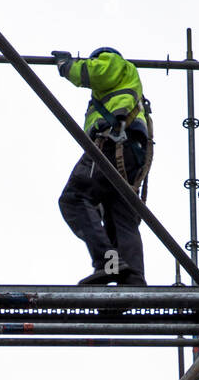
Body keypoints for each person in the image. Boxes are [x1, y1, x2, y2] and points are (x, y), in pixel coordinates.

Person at [52, 46, 152, 286]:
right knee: (119, 215)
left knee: (74, 198)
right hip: (130, 152)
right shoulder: (127, 91)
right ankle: (132, 279)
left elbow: (97, 72)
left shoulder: (115, 62)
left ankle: (108, 261)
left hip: (111, 143)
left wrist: (67, 66)